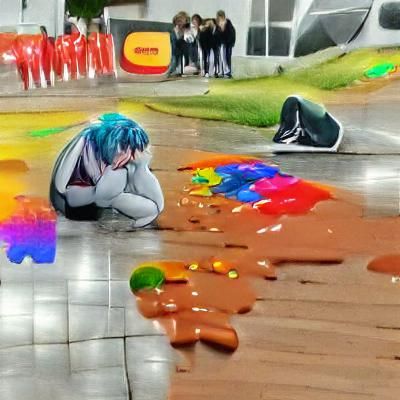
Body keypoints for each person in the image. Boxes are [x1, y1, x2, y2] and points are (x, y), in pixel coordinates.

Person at [50, 113, 164, 228]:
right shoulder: (85, 145)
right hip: (72, 202)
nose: (129, 155)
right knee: (117, 173)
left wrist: (141, 166)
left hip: (99, 199)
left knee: (126, 170)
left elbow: (158, 204)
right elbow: (61, 188)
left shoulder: (122, 156)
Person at [216, 10, 236, 78]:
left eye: (221, 16)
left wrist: (222, 28)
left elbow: (231, 33)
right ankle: (222, 71)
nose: (220, 18)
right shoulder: (218, 24)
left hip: (227, 44)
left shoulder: (228, 23)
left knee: (227, 58)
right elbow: (217, 35)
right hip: (221, 44)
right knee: (221, 58)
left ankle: (227, 72)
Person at [171, 11, 191, 76]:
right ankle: (176, 70)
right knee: (174, 61)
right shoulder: (174, 30)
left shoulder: (188, 30)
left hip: (184, 52)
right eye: (178, 21)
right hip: (175, 52)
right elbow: (174, 44)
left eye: (182, 21)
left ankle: (180, 70)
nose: (180, 23)